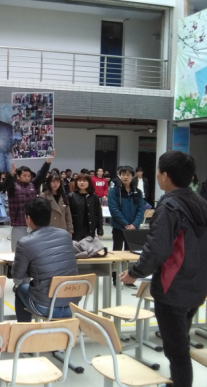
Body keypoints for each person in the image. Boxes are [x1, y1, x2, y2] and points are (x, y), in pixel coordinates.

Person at [121, 151, 207, 387]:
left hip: (173, 289)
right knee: (180, 343)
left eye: (158, 171)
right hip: (197, 286)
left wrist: (134, 272)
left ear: (165, 175)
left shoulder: (169, 206)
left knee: (177, 353)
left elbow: (156, 249)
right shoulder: (201, 202)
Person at [12, 198, 80, 322]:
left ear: (28, 218)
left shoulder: (25, 242)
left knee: (20, 289)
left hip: (46, 307)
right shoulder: (65, 235)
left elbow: (17, 276)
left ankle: (24, 330)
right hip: (73, 305)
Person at [6, 150, 55, 251]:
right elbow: (8, 181)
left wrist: (48, 160)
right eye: (24, 175)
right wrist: (10, 170)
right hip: (19, 224)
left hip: (34, 223)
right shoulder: (12, 187)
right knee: (18, 250)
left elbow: (41, 174)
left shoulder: (33, 185)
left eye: (29, 176)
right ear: (18, 176)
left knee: (33, 250)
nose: (27, 178)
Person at [68, 174, 103, 241]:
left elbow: (98, 213)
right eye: (79, 181)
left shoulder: (94, 196)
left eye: (84, 181)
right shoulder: (71, 196)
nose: (81, 183)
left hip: (90, 228)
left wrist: (100, 230)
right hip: (76, 229)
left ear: (89, 182)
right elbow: (68, 214)